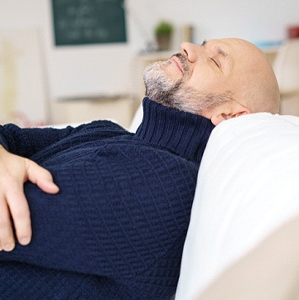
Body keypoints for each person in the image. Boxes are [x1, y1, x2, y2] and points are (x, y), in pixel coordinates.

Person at [0, 38, 280, 299]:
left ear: (230, 114)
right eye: (203, 44)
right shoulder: (108, 132)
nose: (187, 47)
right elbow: (9, 136)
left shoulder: (162, 185)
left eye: (215, 61)